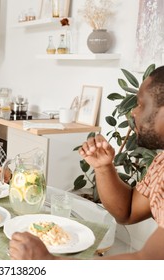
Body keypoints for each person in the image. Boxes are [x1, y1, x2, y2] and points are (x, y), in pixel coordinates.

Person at [9, 65, 164, 260]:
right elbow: (128, 211)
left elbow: (147, 261)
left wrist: (51, 262)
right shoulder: (161, 163)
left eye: (141, 104)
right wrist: (103, 167)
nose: (133, 112)